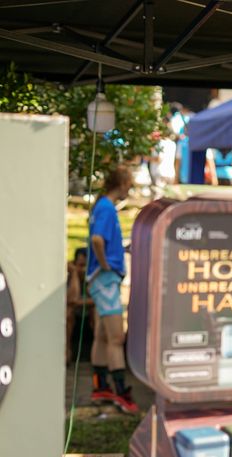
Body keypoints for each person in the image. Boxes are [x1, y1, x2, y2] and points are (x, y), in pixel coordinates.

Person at [87, 165, 139, 414]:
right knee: (117, 338)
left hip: (101, 279)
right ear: (122, 183)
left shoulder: (102, 206)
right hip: (106, 279)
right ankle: (120, 392)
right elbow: (98, 239)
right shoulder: (107, 208)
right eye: (130, 184)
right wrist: (106, 265)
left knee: (102, 335)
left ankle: (100, 386)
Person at [66, 247, 96, 364]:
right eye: (81, 265)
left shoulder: (94, 277)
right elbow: (71, 298)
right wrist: (74, 274)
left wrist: (78, 302)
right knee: (68, 312)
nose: (83, 269)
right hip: (74, 318)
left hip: (90, 318)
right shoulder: (69, 278)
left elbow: (97, 300)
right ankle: (67, 351)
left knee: (96, 311)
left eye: (86, 266)